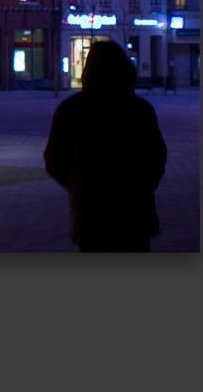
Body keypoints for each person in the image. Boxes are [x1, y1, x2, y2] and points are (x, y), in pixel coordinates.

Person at [44, 43, 167, 252]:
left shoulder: (71, 110)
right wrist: (139, 186)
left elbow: (54, 160)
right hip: (135, 214)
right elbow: (156, 158)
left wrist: (79, 182)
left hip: (91, 214)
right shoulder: (140, 110)